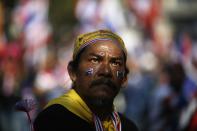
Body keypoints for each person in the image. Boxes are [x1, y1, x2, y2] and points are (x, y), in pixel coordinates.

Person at [33, 29, 139, 131]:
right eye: (95, 60)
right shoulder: (53, 120)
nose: (106, 71)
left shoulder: (127, 127)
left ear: (124, 78)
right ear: (73, 72)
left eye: (115, 63)